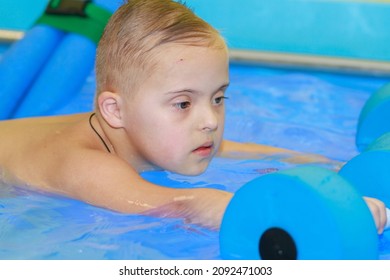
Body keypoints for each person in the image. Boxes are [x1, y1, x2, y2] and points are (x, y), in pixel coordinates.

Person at [0, 0, 386, 233]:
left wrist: (328, 166)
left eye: (218, 98)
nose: (210, 121)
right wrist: (322, 213)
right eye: (184, 104)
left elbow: (235, 149)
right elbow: (180, 204)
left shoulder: (153, 133)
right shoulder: (88, 166)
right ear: (115, 111)